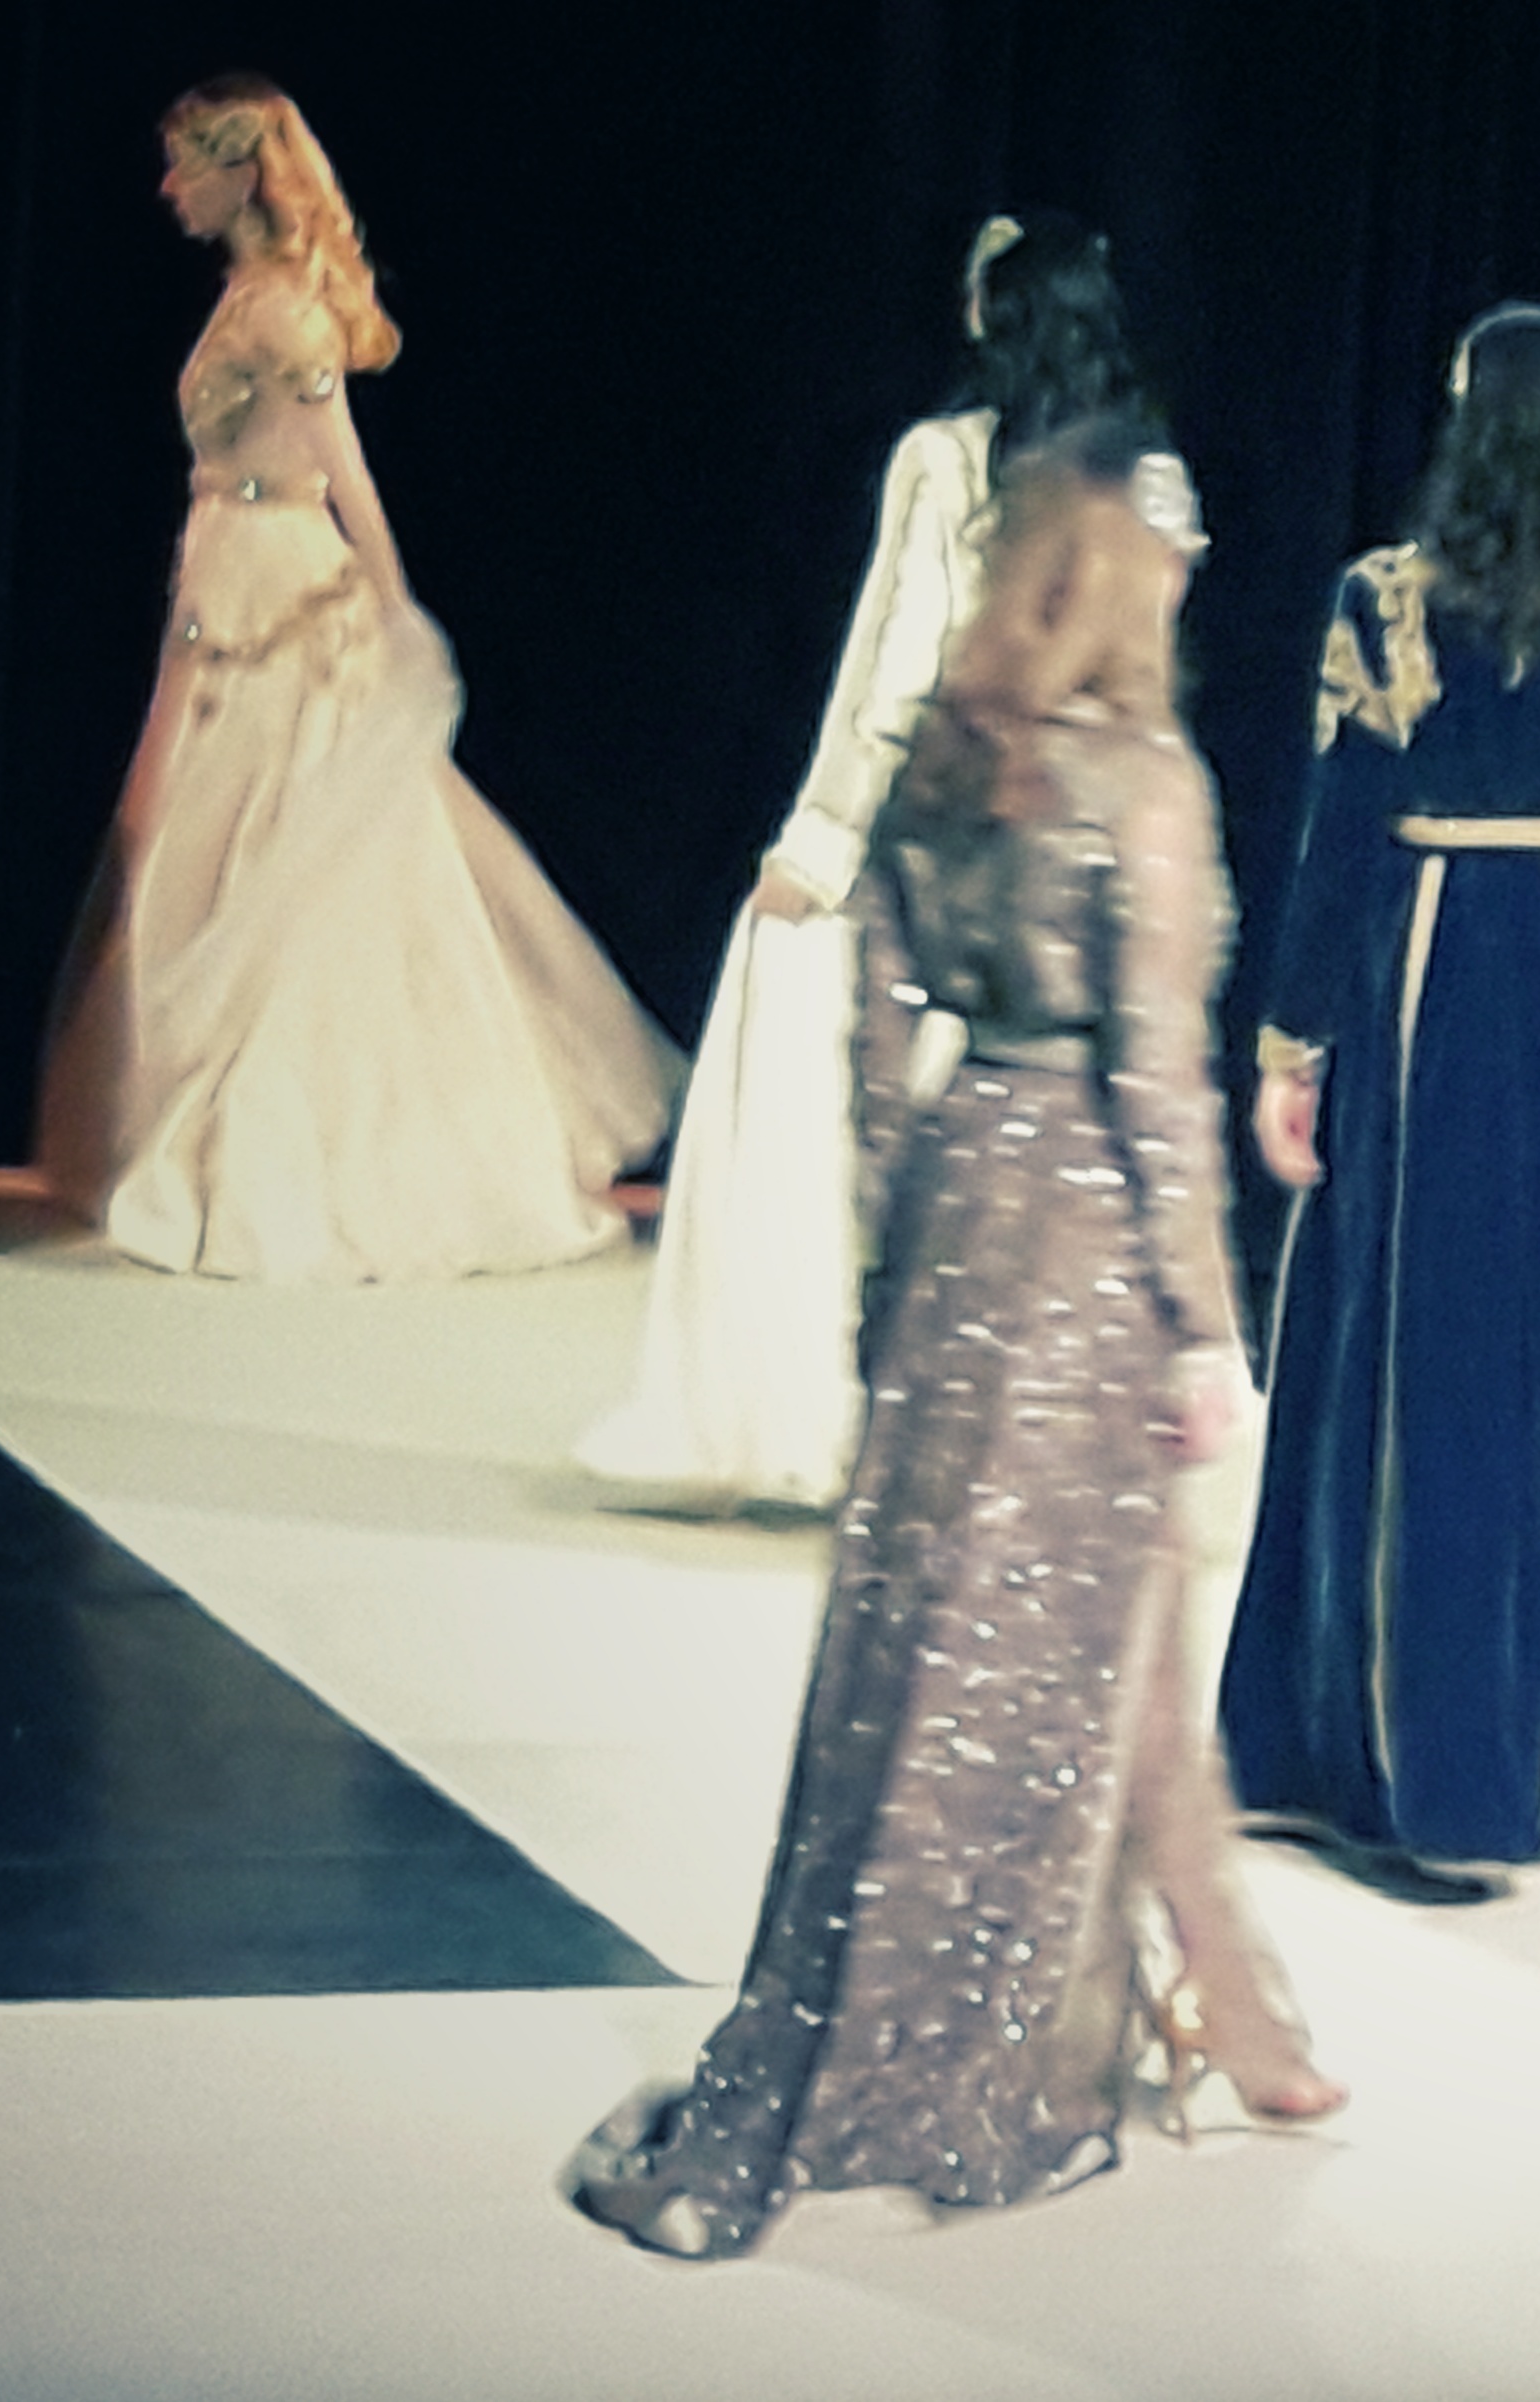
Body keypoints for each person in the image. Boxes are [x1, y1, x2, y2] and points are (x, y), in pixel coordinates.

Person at [570, 415, 1340, 2261]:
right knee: (1056, 1661)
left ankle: (1229, 2014)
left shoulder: (944, 752)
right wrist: (1201, 1325)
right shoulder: (1142, 781)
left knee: (936, 1635)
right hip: (1088, 1227)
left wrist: (893, 1219)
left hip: (957, 1202)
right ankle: (995, 2054)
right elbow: (1157, 1080)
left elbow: (870, 1014)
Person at [1217, 301, 1540, 1896]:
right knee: (1517, 1381)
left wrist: (1290, 1044)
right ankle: (1463, 1781)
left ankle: (1316, 1753)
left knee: (1377, 1355)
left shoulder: (1383, 601)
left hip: (1419, 982)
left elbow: (1338, 831)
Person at [36, 76, 677, 1281]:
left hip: (287, 597)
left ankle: (293, 1161)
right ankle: (199, 1142)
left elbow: (344, 473)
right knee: (217, 858)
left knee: (300, 872)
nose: (168, 187)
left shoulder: (286, 314)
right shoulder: (244, 297)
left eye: (186, 163)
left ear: (240, 172)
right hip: (231, 576)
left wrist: (396, 615)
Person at [581, 213, 1150, 1508]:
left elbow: (894, 661)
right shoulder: (1135, 474)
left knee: (847, 1123)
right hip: (1072, 859)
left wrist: (821, 840)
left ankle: (843, 1418)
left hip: (934, 845)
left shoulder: (947, 460)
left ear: (992, 315)